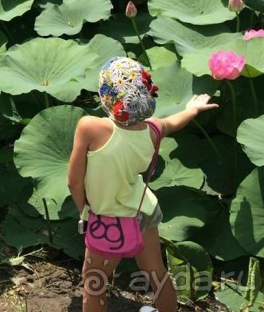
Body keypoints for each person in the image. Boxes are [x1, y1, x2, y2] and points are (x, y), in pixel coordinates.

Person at [67, 57, 218, 312]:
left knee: (94, 282)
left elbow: (73, 182)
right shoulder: (152, 130)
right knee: (156, 271)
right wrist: (192, 110)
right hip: (144, 208)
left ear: (107, 96)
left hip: (111, 219)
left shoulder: (90, 127)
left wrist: (86, 212)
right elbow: (173, 123)